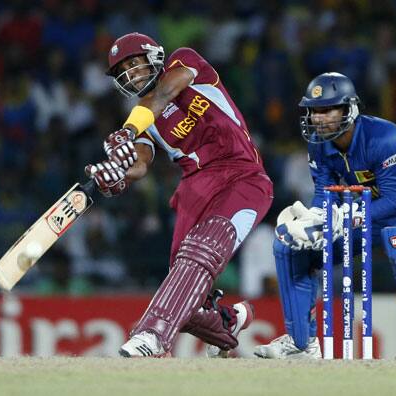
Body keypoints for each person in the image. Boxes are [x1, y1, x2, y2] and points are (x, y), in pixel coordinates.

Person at [85, 32, 273, 357]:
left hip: (241, 175)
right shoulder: (140, 117)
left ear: (154, 56)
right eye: (122, 72)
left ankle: (153, 335)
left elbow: (163, 93)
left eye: (134, 63)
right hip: (195, 189)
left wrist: (127, 132)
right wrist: (115, 173)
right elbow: (140, 165)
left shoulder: (184, 61)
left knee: (200, 254)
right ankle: (228, 322)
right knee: (184, 293)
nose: (130, 74)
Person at [254, 72, 396, 360]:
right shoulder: (319, 143)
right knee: (291, 247)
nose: (318, 118)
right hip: (371, 205)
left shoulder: (384, 138)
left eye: (326, 110)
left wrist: (345, 218)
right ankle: (302, 341)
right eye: (313, 111)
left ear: (349, 109)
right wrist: (317, 220)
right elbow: (324, 191)